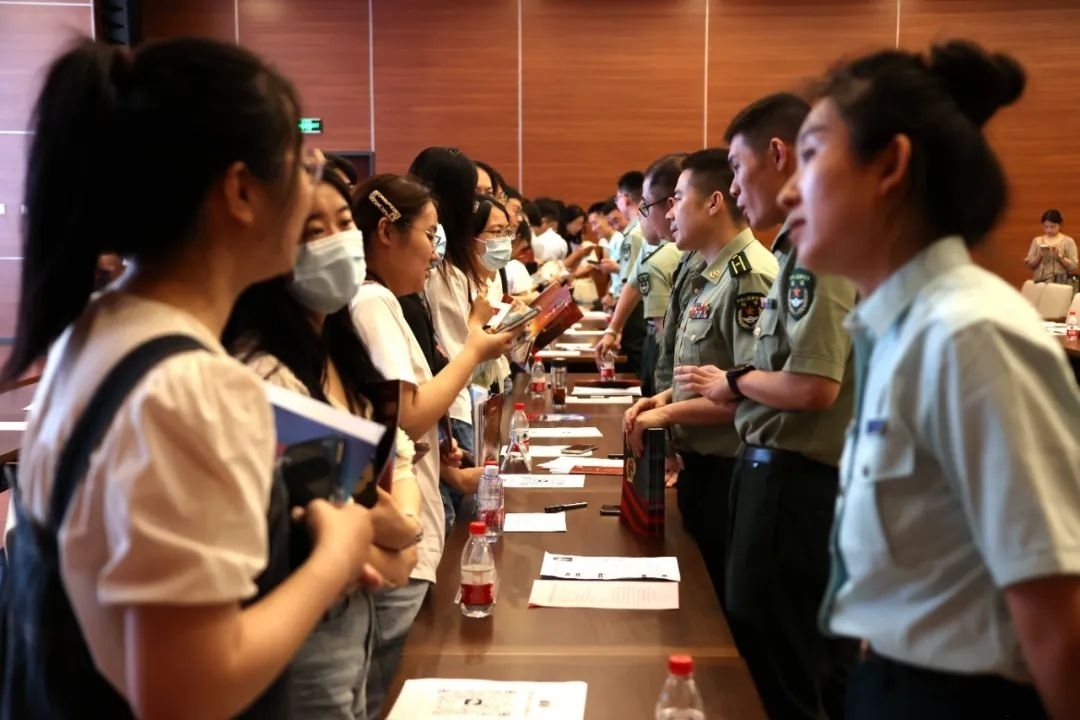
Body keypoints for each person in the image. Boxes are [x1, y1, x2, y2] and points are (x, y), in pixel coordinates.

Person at [1, 37, 376, 719]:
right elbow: (187, 694)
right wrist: (336, 558)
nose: (313, 188)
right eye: (304, 165)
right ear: (241, 192)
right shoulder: (190, 388)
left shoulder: (95, 334)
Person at [770, 40, 1078, 719]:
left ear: (890, 165)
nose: (788, 189)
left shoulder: (970, 333)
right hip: (891, 682)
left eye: (812, 153)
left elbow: (1059, 620)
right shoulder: (898, 329)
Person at [675, 92, 858, 720]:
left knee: (783, 671)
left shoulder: (818, 249)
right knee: (782, 659)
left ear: (777, 154)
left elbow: (814, 386)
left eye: (736, 165)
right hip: (778, 477)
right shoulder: (793, 247)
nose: (732, 186)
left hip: (795, 486)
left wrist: (735, 380)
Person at [223, 171, 422, 718]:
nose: (338, 241)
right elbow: (314, 515)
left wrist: (404, 526)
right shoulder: (263, 371)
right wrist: (392, 543)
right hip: (304, 625)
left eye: (343, 223)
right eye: (314, 231)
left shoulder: (338, 345)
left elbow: (398, 452)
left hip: (352, 615)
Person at [349, 174, 513, 718]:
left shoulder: (386, 299)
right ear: (386, 233)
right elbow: (411, 413)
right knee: (390, 690)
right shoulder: (372, 300)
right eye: (428, 235)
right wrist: (475, 350)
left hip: (416, 518)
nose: (435, 251)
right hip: (400, 532)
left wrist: (441, 453)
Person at [624, 149, 776, 603]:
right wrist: (664, 398)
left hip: (729, 467)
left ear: (713, 202)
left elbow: (748, 391)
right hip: (702, 466)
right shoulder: (710, 274)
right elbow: (707, 373)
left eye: (678, 199)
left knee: (716, 611)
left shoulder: (748, 276)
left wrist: (666, 415)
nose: (669, 213)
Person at [596, 155, 688, 397]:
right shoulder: (655, 247)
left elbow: (668, 336)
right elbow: (634, 282)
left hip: (670, 353)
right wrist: (612, 329)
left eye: (645, 207)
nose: (640, 216)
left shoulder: (666, 256)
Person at [1025, 209, 1078, 285]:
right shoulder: (1037, 241)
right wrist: (1039, 256)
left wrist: (1060, 257)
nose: (1049, 230)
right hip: (1039, 282)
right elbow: (1030, 265)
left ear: (1060, 225)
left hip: (1060, 283)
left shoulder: (1068, 241)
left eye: (1052, 227)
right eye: (1046, 227)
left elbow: (1074, 266)